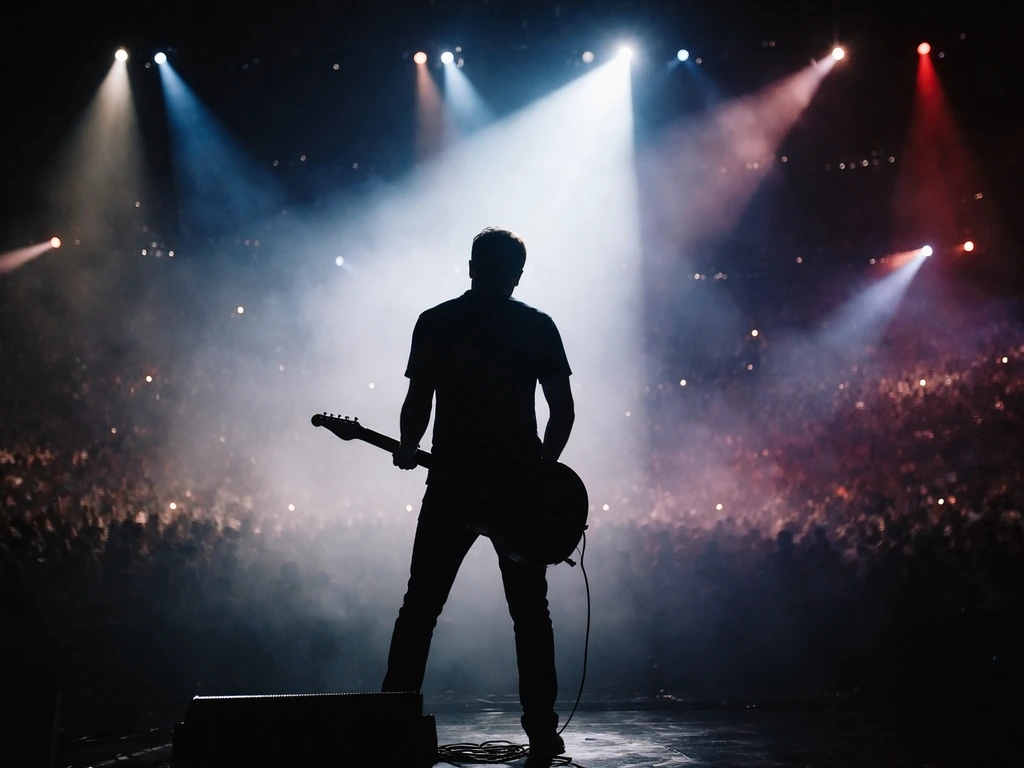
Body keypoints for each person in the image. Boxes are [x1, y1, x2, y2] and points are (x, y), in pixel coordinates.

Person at [381, 227, 575, 759]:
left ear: (472, 267)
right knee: (530, 612)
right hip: (514, 487)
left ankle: (392, 718)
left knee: (420, 607)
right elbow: (563, 410)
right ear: (516, 273)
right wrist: (542, 470)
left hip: (452, 485)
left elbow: (419, 397)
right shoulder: (536, 326)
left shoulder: (438, 322)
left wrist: (409, 443)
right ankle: (540, 726)